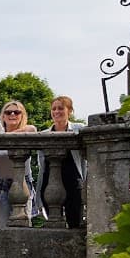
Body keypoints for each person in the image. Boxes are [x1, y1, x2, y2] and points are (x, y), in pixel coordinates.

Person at [0, 100, 39, 227]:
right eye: (8, 112)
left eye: (17, 112)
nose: (12, 114)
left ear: (22, 115)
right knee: (1, 226)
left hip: (22, 183)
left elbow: (31, 130)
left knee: (23, 225)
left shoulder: (27, 130)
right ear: (3, 116)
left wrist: (0, 131)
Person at [38, 95, 85, 229]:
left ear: (69, 111)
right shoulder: (44, 134)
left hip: (73, 179)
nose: (56, 112)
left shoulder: (79, 129)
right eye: (54, 109)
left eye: (60, 108)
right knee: (52, 220)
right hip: (49, 181)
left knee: (74, 219)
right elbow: (42, 165)